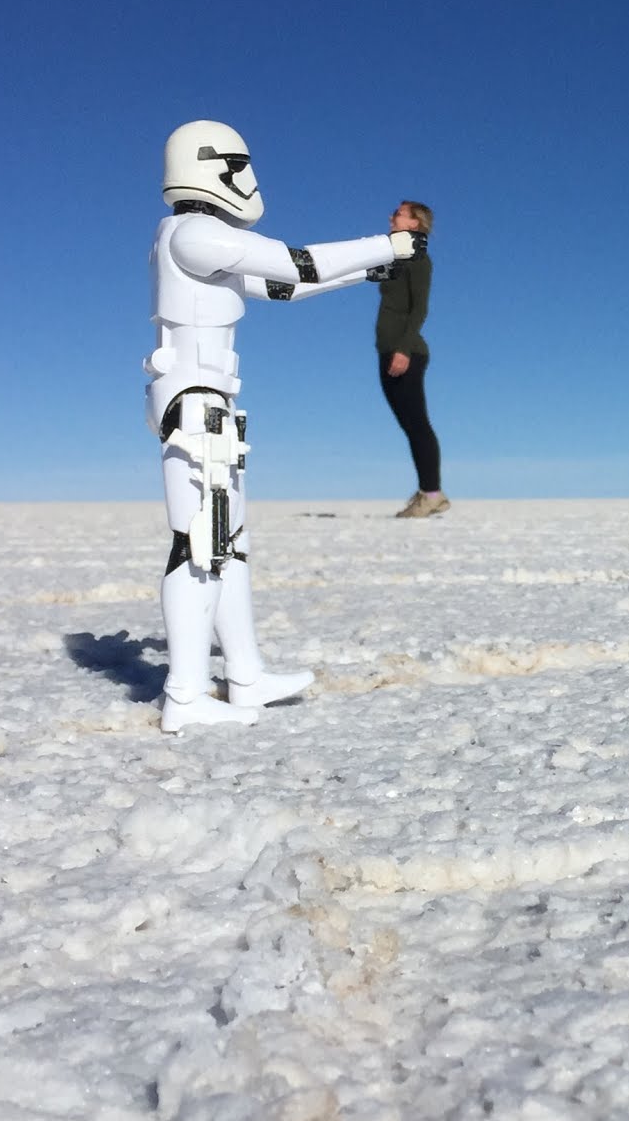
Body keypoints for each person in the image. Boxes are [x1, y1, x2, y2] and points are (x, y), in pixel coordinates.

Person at [147, 120, 427, 732]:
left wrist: (369, 272)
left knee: (229, 545)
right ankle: (186, 695)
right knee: (200, 547)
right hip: (195, 404)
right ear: (212, 167)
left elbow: (279, 286)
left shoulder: (200, 241)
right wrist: (385, 246)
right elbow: (294, 264)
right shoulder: (194, 233)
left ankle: (245, 676)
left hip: (210, 404)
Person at [373, 201, 448, 518]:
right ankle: (427, 492)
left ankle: (432, 494)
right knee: (410, 425)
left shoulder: (419, 260)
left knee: (417, 424)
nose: (391, 217)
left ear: (415, 223)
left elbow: (420, 309)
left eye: (399, 214)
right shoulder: (396, 257)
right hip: (388, 349)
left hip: (407, 352)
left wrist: (403, 349)